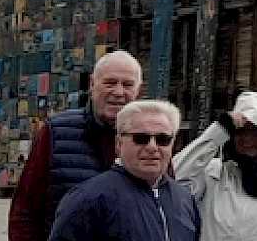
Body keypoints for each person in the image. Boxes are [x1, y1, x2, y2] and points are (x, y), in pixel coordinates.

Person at [9, 49, 142, 241]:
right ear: (92, 84)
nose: (119, 92)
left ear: (138, 90)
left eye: (128, 85)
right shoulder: (56, 132)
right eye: (110, 83)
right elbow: (25, 211)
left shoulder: (153, 138)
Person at [49, 99, 201, 241]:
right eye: (141, 138)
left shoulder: (184, 199)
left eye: (163, 139)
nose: (152, 147)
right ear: (119, 144)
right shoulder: (88, 198)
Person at [173, 90, 257, 241]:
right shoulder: (213, 173)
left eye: (256, 132)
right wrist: (218, 132)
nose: (247, 139)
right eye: (241, 132)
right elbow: (172, 178)